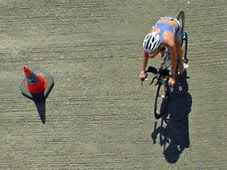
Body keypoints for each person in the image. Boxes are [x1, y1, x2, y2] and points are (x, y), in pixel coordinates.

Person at [138, 16, 184, 86]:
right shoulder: (149, 38)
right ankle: (161, 50)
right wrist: (143, 71)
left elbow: (174, 60)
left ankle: (181, 64)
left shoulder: (169, 42)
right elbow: (145, 55)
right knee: (151, 55)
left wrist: (172, 76)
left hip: (174, 24)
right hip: (161, 22)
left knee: (177, 51)